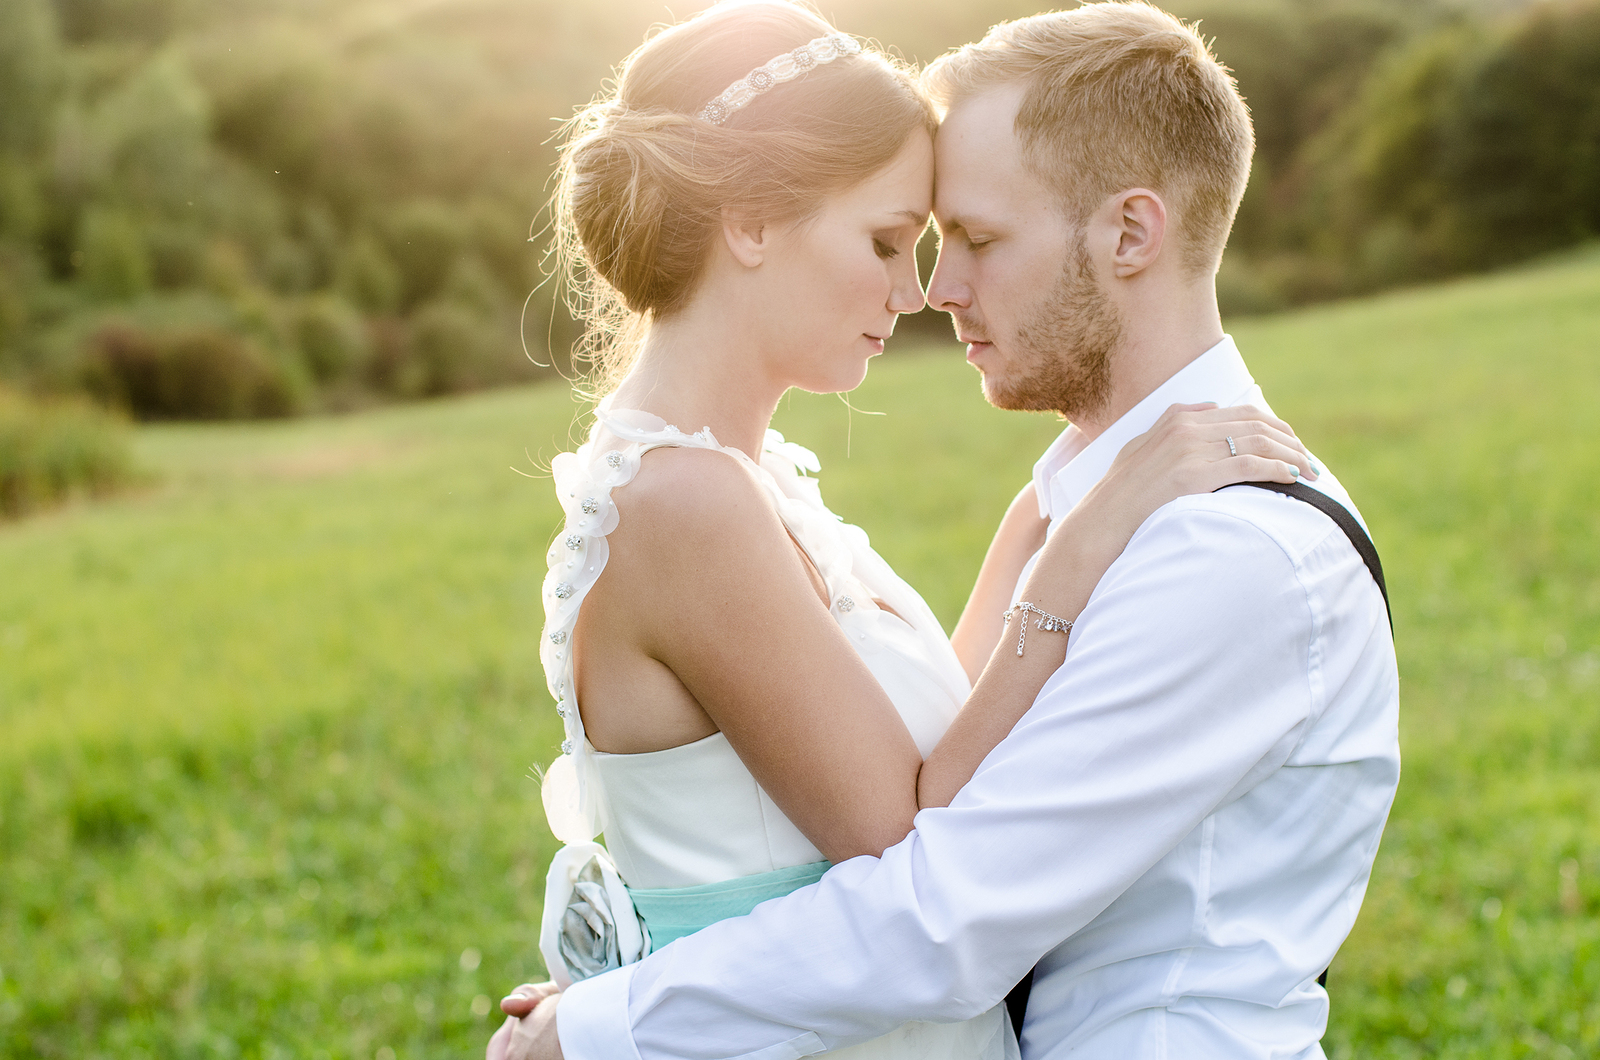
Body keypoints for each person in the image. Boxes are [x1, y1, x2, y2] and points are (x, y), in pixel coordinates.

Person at [494, 1, 1381, 1058]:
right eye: (893, 240)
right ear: (749, 221)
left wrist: (609, 1015)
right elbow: (920, 851)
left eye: (972, 238)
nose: (927, 290)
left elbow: (938, 857)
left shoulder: (1222, 547)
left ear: (1134, 232)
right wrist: (1066, 547)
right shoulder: (699, 498)